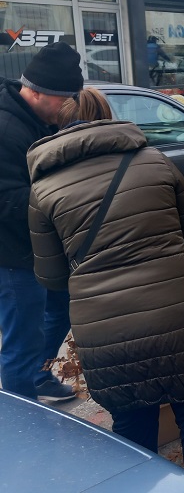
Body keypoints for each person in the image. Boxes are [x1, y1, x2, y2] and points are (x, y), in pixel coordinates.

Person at [27, 87, 184, 493]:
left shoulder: (44, 190)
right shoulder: (153, 160)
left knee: (132, 435)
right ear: (108, 116)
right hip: (179, 320)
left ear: (61, 125)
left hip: (107, 337)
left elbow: (51, 277)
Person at [0, 42, 77, 402]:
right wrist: (60, 195)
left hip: (40, 249)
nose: (68, 106)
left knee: (58, 311)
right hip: (12, 256)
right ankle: (26, 423)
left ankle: (39, 375)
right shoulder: (6, 130)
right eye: (65, 99)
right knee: (22, 342)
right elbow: (6, 200)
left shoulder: (38, 121)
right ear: (38, 92)